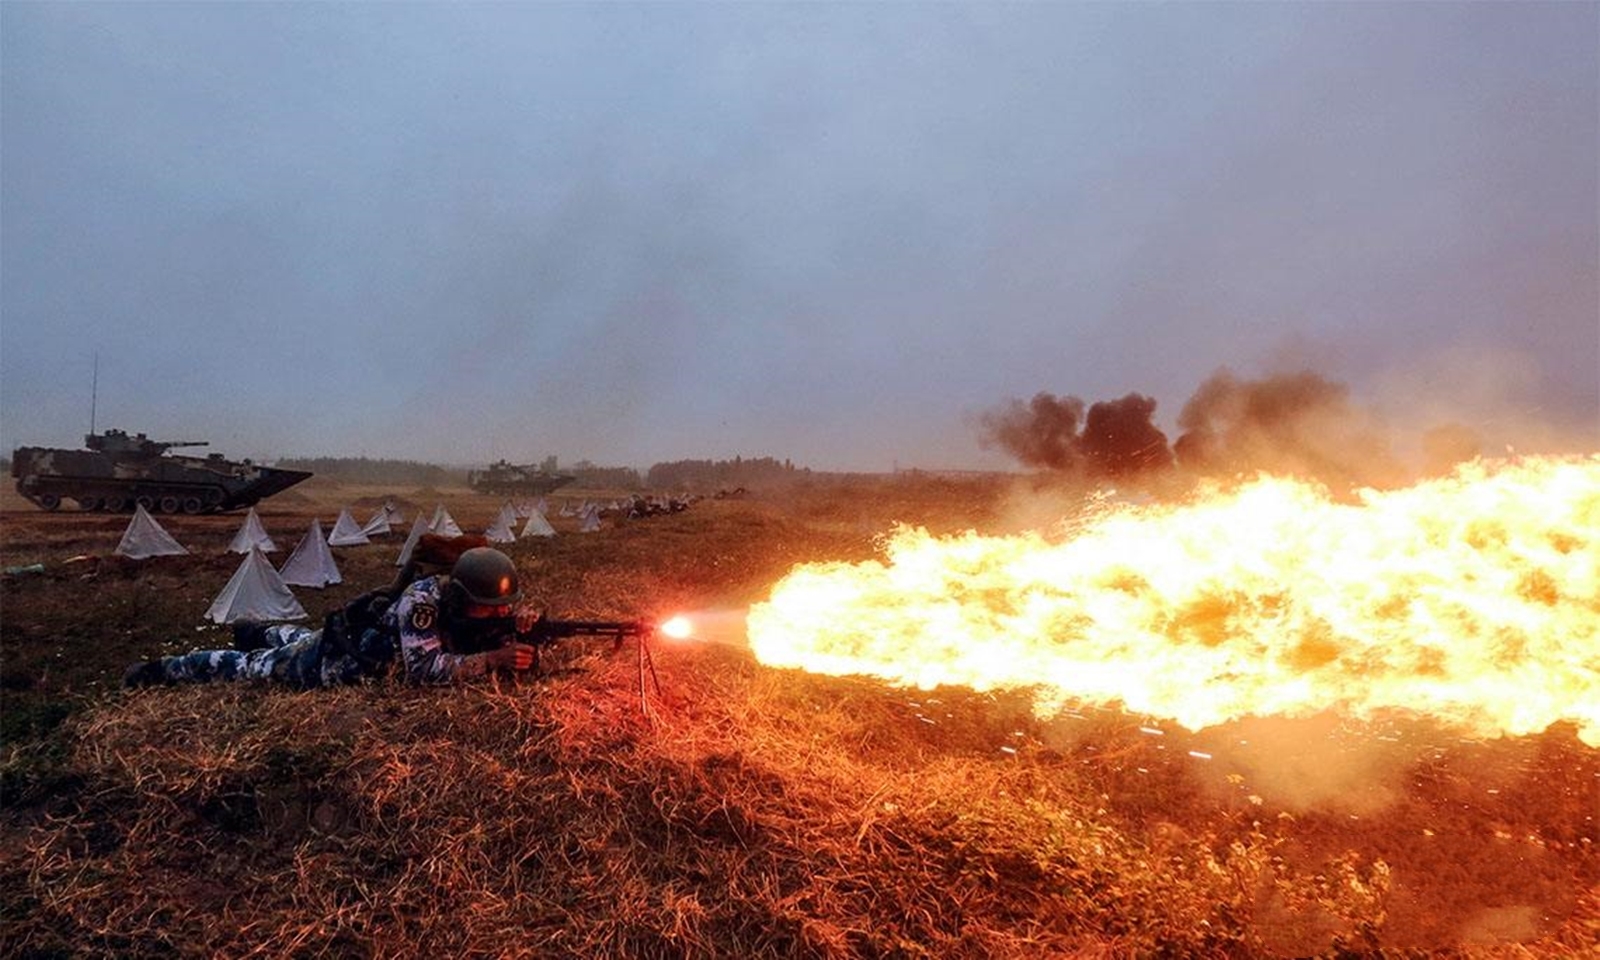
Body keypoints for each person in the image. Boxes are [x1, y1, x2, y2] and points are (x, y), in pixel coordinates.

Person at [122, 540, 540, 689]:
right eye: (489, 609)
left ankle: (262, 631)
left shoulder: (478, 605)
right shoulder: (422, 604)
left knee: (297, 636)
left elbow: (491, 629)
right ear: (460, 596)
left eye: (502, 610)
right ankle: (163, 669)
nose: (496, 615)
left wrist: (523, 630)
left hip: (341, 640)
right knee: (249, 667)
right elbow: (425, 670)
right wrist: (491, 660)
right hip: (336, 665)